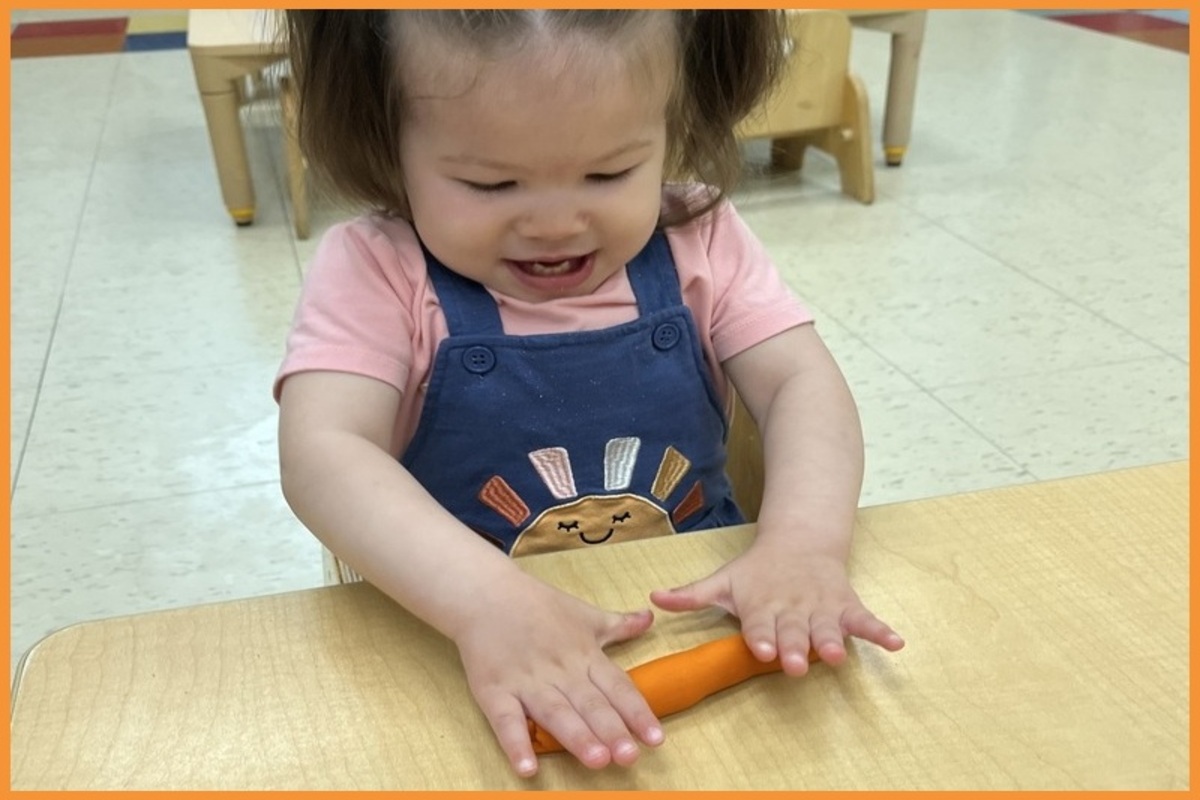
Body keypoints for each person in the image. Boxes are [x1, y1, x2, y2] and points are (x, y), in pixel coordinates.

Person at [275, 9, 904, 778]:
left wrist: (804, 545)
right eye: (490, 182)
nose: (556, 222)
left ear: (673, 123)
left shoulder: (698, 236)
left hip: (697, 629)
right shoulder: (377, 270)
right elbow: (325, 452)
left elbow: (800, 382)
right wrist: (486, 606)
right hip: (463, 649)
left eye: (610, 173)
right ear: (387, 137)